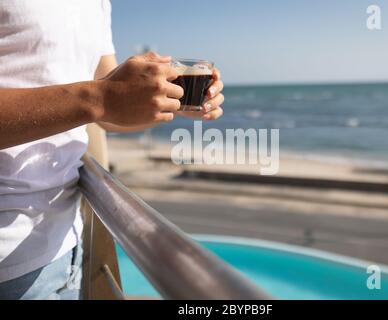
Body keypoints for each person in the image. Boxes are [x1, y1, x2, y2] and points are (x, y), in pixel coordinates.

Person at [0, 0, 224, 300]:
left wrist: (171, 100)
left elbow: (107, 112)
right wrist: (101, 98)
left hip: (68, 243)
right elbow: (100, 99)